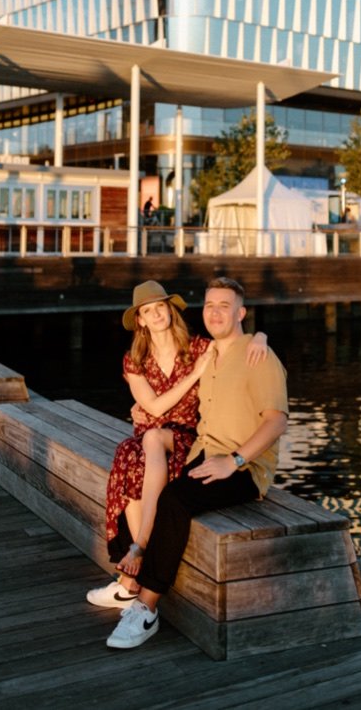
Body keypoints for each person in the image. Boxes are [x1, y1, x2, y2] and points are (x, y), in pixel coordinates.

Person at [101, 276, 289, 650]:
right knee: (145, 483)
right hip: (202, 450)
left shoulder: (257, 353)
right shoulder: (212, 353)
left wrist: (234, 461)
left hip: (242, 467)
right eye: (210, 305)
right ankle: (128, 580)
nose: (216, 312)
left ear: (241, 313)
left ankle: (147, 607)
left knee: (173, 501)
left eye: (225, 305)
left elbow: (278, 421)